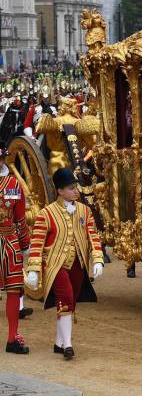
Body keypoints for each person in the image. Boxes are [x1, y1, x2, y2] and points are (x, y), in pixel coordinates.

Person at [26, 168, 104, 360]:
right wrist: (34, 269)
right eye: (71, 188)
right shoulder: (46, 214)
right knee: (66, 297)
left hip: (78, 263)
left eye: (75, 187)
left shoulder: (85, 210)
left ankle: (59, 343)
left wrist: (98, 258)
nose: (76, 191)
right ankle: (68, 345)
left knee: (71, 302)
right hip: (55, 264)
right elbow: (37, 243)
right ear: (60, 191)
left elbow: (92, 235)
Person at [0, 146, 30, 354]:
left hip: (10, 240)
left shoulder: (13, 184)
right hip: (8, 240)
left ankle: (12, 338)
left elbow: (20, 217)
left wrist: (25, 245)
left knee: (13, 288)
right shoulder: (11, 184)